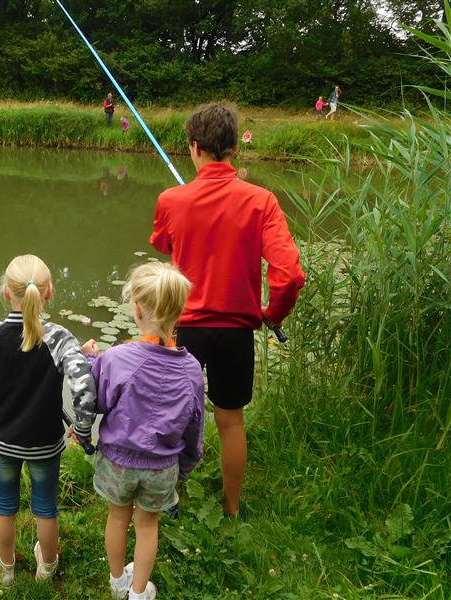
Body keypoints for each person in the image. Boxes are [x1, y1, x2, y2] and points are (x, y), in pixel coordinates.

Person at [150, 103, 305, 519]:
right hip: (236, 331)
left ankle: (164, 501)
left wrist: (185, 211)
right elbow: (289, 275)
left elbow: (163, 244)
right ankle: (232, 509)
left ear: (194, 147)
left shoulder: (171, 199)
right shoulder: (262, 201)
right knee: (231, 421)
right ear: (234, 148)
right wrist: (274, 314)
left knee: (170, 414)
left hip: (185, 329)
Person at [76, 261, 204, 600]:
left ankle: (118, 580)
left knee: (117, 519)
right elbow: (195, 426)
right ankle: (137, 593)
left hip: (117, 462)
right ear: (180, 312)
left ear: (136, 309)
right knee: (148, 525)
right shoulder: (192, 370)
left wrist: (90, 361)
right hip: (162, 467)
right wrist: (186, 465)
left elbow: (97, 400)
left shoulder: (116, 358)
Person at [0, 254, 97, 588]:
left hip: (3, 439)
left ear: (7, 292)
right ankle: (47, 567)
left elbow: (1, 368)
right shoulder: (60, 338)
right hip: (44, 442)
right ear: (48, 292)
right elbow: (85, 388)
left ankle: (6, 568)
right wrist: (82, 428)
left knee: (4, 505)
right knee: (45, 507)